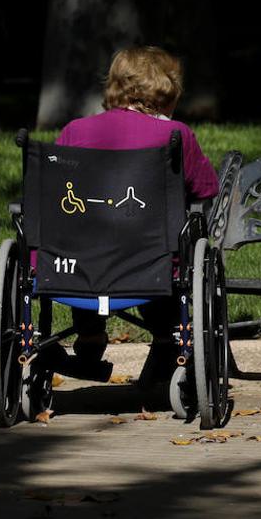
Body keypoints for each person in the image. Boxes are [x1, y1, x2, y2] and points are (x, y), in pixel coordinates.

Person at [49, 46, 219, 385]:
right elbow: (205, 191)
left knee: (86, 237)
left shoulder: (75, 132)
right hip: (151, 262)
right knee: (167, 243)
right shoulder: (176, 136)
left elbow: (53, 195)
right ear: (167, 91)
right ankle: (167, 336)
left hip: (80, 266)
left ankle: (90, 337)